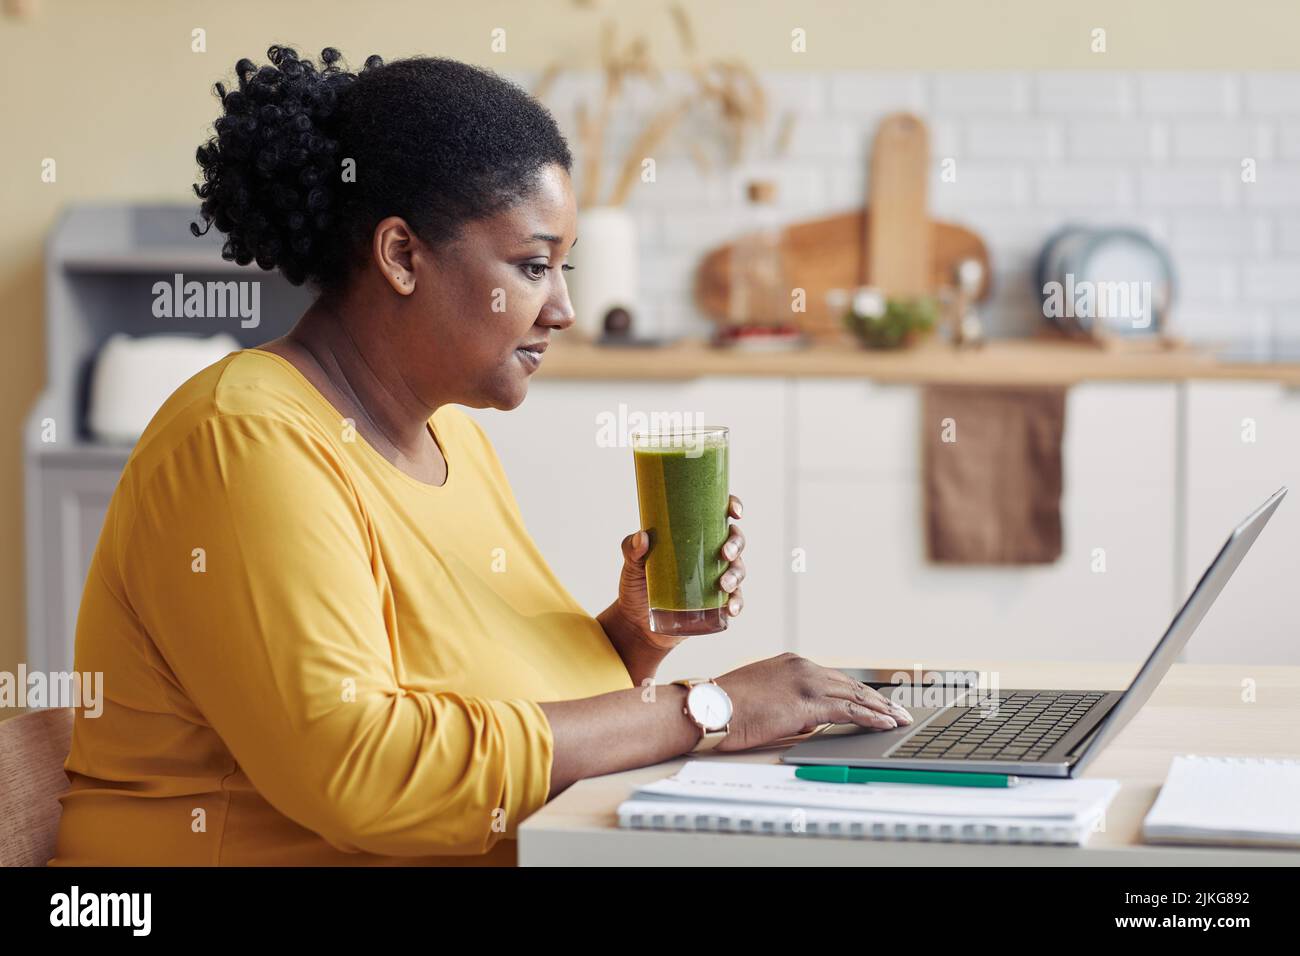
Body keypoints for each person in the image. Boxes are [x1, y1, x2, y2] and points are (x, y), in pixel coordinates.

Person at [51, 46, 911, 867]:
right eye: (534, 266)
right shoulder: (244, 439)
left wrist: (631, 639)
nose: (565, 308)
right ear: (401, 256)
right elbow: (364, 772)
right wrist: (710, 708)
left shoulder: (447, 433)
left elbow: (501, 709)